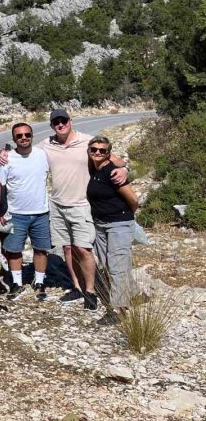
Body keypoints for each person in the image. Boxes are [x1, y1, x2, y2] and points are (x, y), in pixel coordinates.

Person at [2, 109, 127, 309]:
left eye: (63, 120)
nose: (60, 125)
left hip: (81, 204)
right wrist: (5, 152)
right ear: (52, 125)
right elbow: (24, 151)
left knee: (84, 249)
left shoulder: (87, 141)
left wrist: (124, 169)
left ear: (70, 121)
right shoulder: (46, 145)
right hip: (58, 205)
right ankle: (77, 287)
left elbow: (113, 159)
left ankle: (90, 291)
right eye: (56, 122)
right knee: (67, 248)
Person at [87, 136, 139, 326]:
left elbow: (133, 200)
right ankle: (133, 294)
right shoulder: (94, 169)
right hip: (101, 224)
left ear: (109, 153)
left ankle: (119, 311)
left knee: (117, 267)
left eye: (102, 150)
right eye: (94, 150)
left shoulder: (112, 172)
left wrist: (125, 217)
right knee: (110, 264)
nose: (98, 153)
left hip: (118, 224)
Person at [0, 123, 51, 301]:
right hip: (16, 213)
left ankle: (40, 282)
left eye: (27, 134)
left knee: (41, 249)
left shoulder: (42, 155)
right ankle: (17, 283)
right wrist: (2, 212)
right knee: (14, 250)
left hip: (41, 212)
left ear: (32, 135)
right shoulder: (7, 160)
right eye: (19, 136)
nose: (23, 138)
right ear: (14, 139)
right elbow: (1, 187)